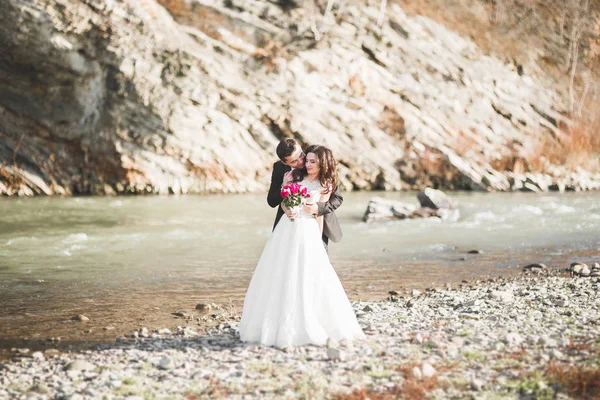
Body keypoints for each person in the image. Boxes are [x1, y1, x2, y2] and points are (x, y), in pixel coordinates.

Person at [239, 144, 365, 347]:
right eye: (298, 161)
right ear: (285, 163)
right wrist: (286, 204)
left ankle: (313, 318)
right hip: (288, 229)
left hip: (312, 228)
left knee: (312, 274)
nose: (303, 163)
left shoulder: (324, 177)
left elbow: (335, 200)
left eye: (305, 159)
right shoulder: (287, 173)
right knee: (282, 272)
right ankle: (277, 322)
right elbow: (277, 200)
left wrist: (317, 212)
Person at [267, 138, 343, 252]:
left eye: (301, 155)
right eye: (294, 161)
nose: (302, 162)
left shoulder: (315, 158)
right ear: (285, 162)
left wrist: (318, 208)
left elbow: (337, 198)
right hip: (290, 222)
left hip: (317, 222)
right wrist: (284, 186)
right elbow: (272, 201)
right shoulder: (279, 168)